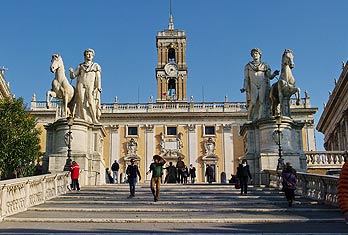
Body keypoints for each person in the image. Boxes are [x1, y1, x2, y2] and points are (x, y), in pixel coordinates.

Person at [241, 48, 279, 121]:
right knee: (253, 102)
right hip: (253, 84)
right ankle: (250, 117)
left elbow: (269, 76)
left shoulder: (265, 65)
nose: (255, 55)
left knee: (262, 101)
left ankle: (260, 118)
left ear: (259, 55)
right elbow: (246, 78)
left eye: (256, 53)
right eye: (253, 54)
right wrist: (244, 87)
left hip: (263, 84)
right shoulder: (248, 66)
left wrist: (274, 74)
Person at [69, 48, 102, 123]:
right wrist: (71, 72)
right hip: (81, 84)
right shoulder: (80, 66)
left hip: (90, 85)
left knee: (91, 101)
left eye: (90, 54)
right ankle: (83, 118)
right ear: (85, 55)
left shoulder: (95, 66)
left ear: (93, 56)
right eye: (87, 54)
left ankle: (94, 119)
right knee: (81, 101)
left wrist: (98, 87)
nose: (89, 55)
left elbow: (98, 77)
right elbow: (73, 76)